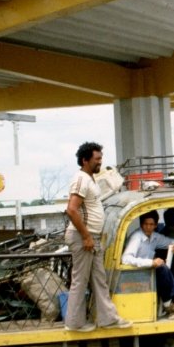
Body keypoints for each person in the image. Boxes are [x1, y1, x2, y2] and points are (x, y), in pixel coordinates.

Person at [64, 142, 132, 332]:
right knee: (80, 279)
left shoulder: (89, 179)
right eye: (97, 159)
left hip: (91, 237)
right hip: (83, 237)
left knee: (99, 278)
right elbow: (71, 209)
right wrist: (86, 237)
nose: (100, 162)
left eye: (100, 158)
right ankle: (74, 323)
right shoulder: (80, 180)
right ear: (85, 160)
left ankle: (108, 318)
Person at [122, 210, 174, 313]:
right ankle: (168, 303)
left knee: (172, 262)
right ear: (141, 224)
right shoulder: (137, 237)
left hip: (148, 272)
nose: (148, 227)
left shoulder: (154, 236)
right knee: (162, 268)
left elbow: (172, 241)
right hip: (135, 273)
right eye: (146, 224)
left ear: (155, 225)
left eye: (151, 224)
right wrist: (151, 262)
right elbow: (126, 259)